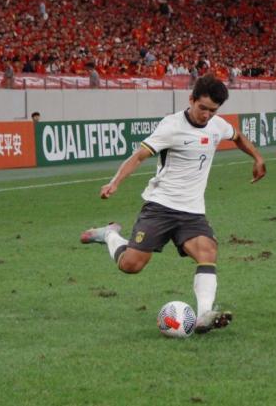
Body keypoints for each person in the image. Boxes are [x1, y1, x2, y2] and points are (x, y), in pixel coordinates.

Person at [80, 75, 266, 333]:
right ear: (191, 99)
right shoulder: (171, 126)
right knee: (131, 265)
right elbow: (139, 156)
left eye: (212, 111)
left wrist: (257, 158)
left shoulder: (217, 125)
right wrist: (115, 182)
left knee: (208, 252)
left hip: (192, 212)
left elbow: (237, 136)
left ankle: (204, 315)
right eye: (202, 108)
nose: (206, 115)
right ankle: (110, 234)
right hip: (160, 207)